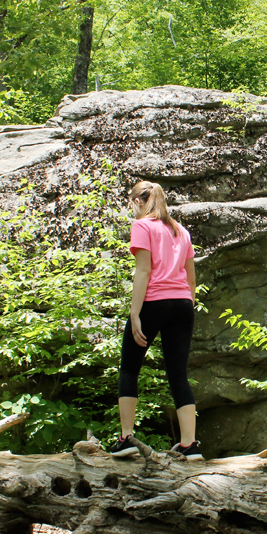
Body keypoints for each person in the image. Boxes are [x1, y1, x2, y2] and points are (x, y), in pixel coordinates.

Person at [109, 181, 202, 460]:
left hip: (154, 302)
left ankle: (126, 439)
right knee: (178, 374)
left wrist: (135, 313)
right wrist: (186, 304)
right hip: (183, 304)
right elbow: (191, 278)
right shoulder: (180, 230)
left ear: (138, 201)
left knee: (129, 368)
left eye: (130, 203)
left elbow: (143, 271)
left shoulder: (142, 226)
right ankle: (190, 444)